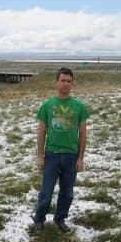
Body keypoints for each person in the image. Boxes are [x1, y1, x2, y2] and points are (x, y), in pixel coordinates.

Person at [32, 67, 90, 232]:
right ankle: (39, 220)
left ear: (73, 84)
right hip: (51, 156)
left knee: (67, 193)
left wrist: (80, 158)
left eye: (68, 81)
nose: (65, 84)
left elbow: (83, 134)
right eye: (62, 80)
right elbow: (41, 132)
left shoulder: (79, 107)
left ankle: (60, 219)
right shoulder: (47, 106)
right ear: (56, 83)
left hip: (71, 157)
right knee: (46, 193)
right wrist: (40, 156)